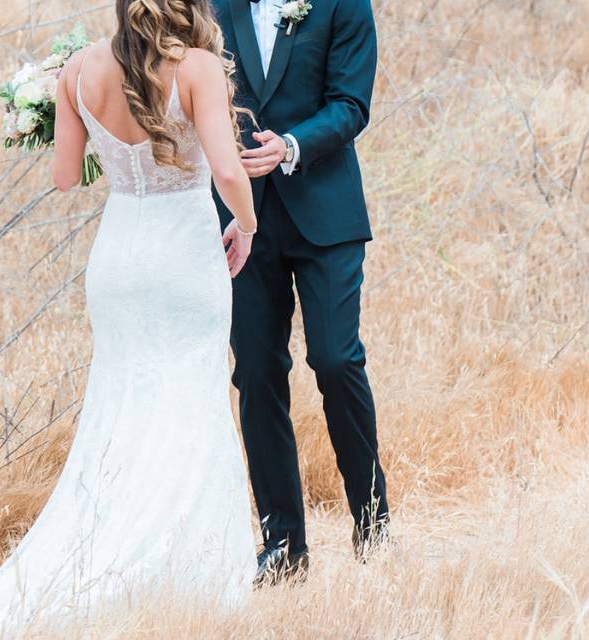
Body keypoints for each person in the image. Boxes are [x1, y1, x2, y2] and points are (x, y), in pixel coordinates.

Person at [0, 1, 259, 636]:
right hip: (183, 254)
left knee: (119, 401)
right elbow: (227, 167)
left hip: (117, 259)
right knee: (190, 397)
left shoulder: (77, 70)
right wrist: (247, 221)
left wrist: (72, 117)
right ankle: (180, 565)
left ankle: (104, 540)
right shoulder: (201, 69)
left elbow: (65, 179)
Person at [210, 0, 390, 585]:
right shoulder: (211, 7)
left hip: (326, 215)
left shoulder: (343, 5)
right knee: (257, 374)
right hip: (241, 220)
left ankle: (372, 522)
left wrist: (289, 147)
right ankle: (283, 544)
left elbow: (350, 104)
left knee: (336, 360)